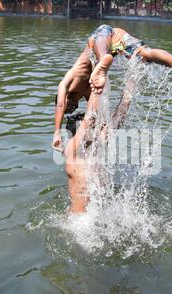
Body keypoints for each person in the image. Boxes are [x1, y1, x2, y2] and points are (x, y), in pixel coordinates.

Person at [52, 24, 172, 151]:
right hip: (117, 38)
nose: (68, 110)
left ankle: (104, 60)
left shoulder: (67, 83)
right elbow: (96, 114)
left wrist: (57, 132)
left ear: (65, 99)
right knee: (144, 54)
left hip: (102, 36)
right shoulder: (90, 91)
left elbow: (59, 104)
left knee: (100, 55)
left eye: (67, 109)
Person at [64, 61, 133, 214]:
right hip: (79, 224)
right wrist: (97, 80)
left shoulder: (96, 147)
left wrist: (129, 86)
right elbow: (90, 117)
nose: (93, 130)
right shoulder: (71, 153)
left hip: (95, 221)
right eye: (87, 129)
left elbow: (118, 117)